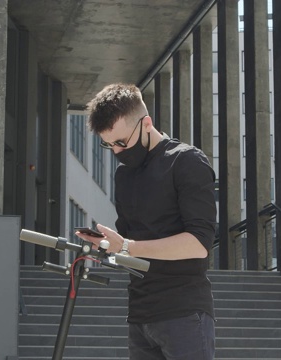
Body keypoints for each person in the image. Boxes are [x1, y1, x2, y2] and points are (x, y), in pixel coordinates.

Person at [76, 83, 217, 360]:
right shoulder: (124, 176)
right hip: (140, 313)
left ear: (147, 123)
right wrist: (105, 248)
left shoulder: (186, 162)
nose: (117, 151)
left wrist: (127, 246)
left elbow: (199, 244)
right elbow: (129, 244)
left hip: (184, 311)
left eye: (121, 142)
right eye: (109, 145)